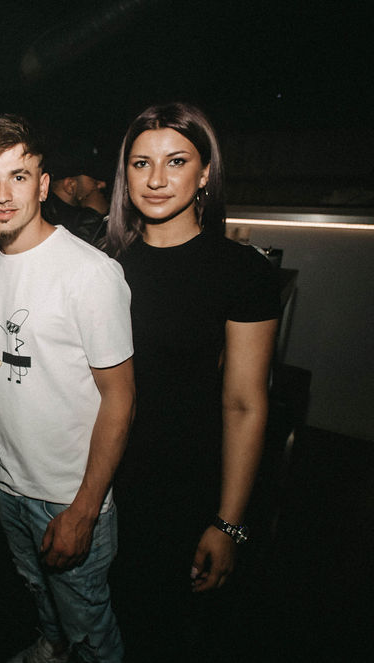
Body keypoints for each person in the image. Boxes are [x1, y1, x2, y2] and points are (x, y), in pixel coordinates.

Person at [103, 102, 280, 661]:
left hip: (180, 485)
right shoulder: (100, 266)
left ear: (205, 173)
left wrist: (229, 524)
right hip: (99, 477)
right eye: (141, 163)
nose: (156, 179)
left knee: (159, 632)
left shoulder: (242, 272)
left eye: (176, 161)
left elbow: (244, 404)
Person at [0, 115, 135, 663]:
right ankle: (51, 646)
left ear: (42, 185)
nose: (3, 195)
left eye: (18, 176)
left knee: (89, 624)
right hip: (5, 482)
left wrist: (84, 511)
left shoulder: (90, 273)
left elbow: (120, 397)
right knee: (37, 590)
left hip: (68, 494)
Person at [41, 149, 109, 249]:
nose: (102, 184)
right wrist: (93, 216)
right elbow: (70, 253)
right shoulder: (44, 218)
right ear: (70, 185)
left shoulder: (54, 211)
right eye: (94, 180)